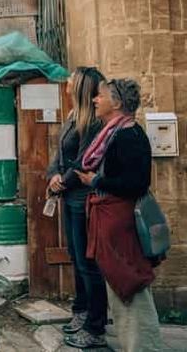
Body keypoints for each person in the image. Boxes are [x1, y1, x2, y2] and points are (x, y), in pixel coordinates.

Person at [76, 78, 163, 351]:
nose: (95, 100)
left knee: (130, 283)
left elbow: (136, 183)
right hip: (112, 223)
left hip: (121, 225)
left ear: (116, 102)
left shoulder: (128, 136)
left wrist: (96, 181)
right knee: (120, 289)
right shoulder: (115, 133)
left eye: (100, 96)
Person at [46, 67, 108, 348]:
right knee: (76, 256)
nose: (67, 81)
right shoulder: (73, 115)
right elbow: (60, 154)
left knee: (88, 262)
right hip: (69, 197)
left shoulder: (92, 122)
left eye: (71, 79)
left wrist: (62, 182)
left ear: (81, 85)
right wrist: (53, 175)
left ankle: (95, 325)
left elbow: (85, 160)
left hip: (83, 199)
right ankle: (81, 310)